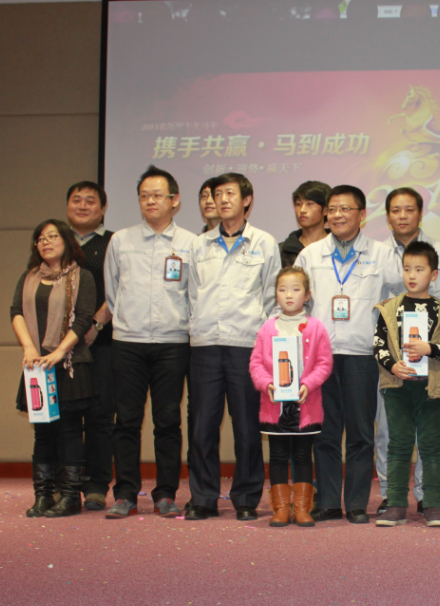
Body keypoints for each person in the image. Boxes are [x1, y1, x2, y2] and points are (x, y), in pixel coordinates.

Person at [293, 185, 403, 523]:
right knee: (325, 433)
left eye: (346, 209)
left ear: (362, 215)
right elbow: (294, 300)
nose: (338, 215)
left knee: (360, 433)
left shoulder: (382, 254)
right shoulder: (310, 255)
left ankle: (356, 504)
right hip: (320, 357)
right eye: (333, 209)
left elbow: (402, 294)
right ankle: (328, 502)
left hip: (362, 354)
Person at [183, 173, 282, 521]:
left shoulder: (264, 243)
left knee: (247, 427)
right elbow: (192, 294)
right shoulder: (199, 245)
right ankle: (203, 497)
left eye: (230, 193)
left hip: (246, 346)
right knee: (202, 427)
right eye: (217, 194)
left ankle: (246, 498)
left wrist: (262, 337)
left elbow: (272, 296)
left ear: (247, 200)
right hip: (206, 345)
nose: (222, 200)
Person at [373, 186, 440, 515]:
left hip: (434, 363)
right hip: (395, 365)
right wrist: (388, 359)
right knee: (390, 434)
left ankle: (427, 497)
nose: (402, 216)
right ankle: (391, 494)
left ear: (420, 213)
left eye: (409, 209)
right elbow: (375, 308)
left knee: (431, 438)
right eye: (395, 210)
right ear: (387, 216)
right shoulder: (377, 253)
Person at [104, 165, 195, 519]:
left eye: (157, 195)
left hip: (173, 343)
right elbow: (113, 293)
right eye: (144, 196)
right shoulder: (121, 241)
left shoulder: (190, 243)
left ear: (175, 200)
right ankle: (125, 493)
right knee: (126, 420)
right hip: (128, 342)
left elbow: (194, 293)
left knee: (168, 421)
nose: (150, 201)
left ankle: (166, 493)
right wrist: (130, 320)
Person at [11, 220, 97, 518]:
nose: (45, 242)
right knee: (43, 433)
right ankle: (43, 496)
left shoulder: (82, 276)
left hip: (69, 363)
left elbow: (84, 318)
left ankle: (70, 496)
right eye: (40, 239)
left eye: (52, 236)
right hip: (37, 365)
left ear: (67, 241)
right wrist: (29, 349)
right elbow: (16, 312)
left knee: (70, 431)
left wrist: (59, 352)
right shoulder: (29, 278)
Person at [249, 266, 333, 527]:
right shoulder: (267, 329)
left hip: (304, 406)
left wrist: (308, 384)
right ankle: (281, 509)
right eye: (282, 289)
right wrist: (266, 384)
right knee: (277, 457)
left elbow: (324, 363)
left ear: (307, 295)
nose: (288, 295)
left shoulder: (316, 328)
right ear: (275, 294)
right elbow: (255, 364)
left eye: (295, 289)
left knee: (302, 456)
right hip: (275, 406)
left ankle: (302, 508)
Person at [65, 181, 114, 512]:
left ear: (103, 208)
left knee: (100, 415)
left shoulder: (112, 243)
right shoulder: (57, 240)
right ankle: (66, 484)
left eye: (90, 201)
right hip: (61, 346)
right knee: (65, 416)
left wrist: (95, 326)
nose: (83, 206)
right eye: (76, 200)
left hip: (101, 341)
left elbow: (119, 289)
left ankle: (96, 485)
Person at [278, 180, 331, 267]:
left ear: (325, 210)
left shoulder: (338, 247)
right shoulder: (282, 251)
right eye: (299, 204)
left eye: (309, 204)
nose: (302, 210)